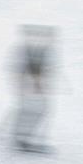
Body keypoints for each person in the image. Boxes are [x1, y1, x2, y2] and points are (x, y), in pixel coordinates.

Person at [10, 25, 56, 154]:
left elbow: (37, 70)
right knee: (33, 109)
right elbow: (27, 69)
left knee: (36, 109)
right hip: (29, 85)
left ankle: (21, 137)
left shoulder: (40, 50)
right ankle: (21, 138)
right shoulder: (31, 50)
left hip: (31, 85)